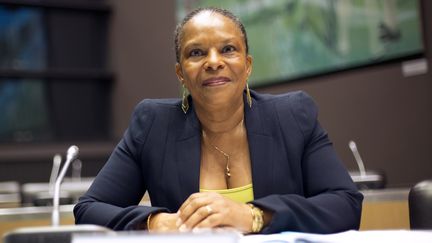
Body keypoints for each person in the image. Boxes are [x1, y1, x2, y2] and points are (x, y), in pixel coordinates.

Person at [74, 7, 363, 234]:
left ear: (247, 65)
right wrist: (156, 223)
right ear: (180, 73)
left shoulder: (292, 115)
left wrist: (253, 216)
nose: (213, 62)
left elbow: (345, 204)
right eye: (196, 53)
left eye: (228, 49)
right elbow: (88, 210)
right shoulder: (152, 124)